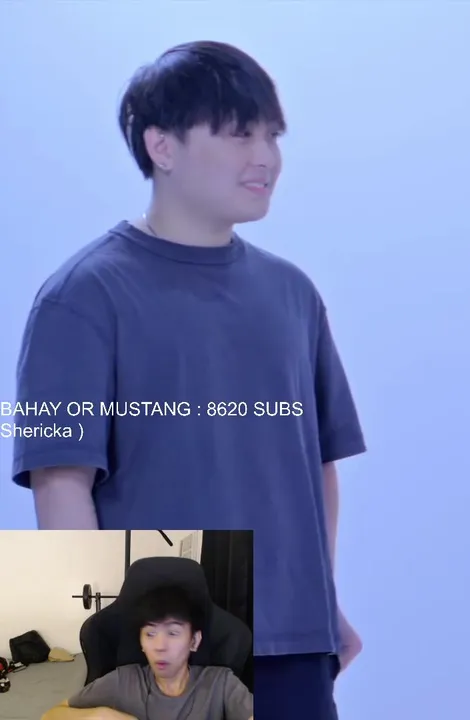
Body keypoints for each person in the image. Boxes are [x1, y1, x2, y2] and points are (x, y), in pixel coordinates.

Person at [10, 41, 362, 719]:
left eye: (272, 135)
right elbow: (61, 484)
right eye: (239, 134)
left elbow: (318, 465)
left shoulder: (293, 295)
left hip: (296, 645)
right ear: (162, 146)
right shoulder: (79, 297)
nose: (265, 157)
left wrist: (324, 604)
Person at [43, 585, 253, 720]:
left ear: (194, 640)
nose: (160, 646)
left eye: (173, 633)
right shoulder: (123, 681)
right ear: (141, 643)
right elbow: (51, 715)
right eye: (150, 634)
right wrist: (103, 715)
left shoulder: (221, 684)